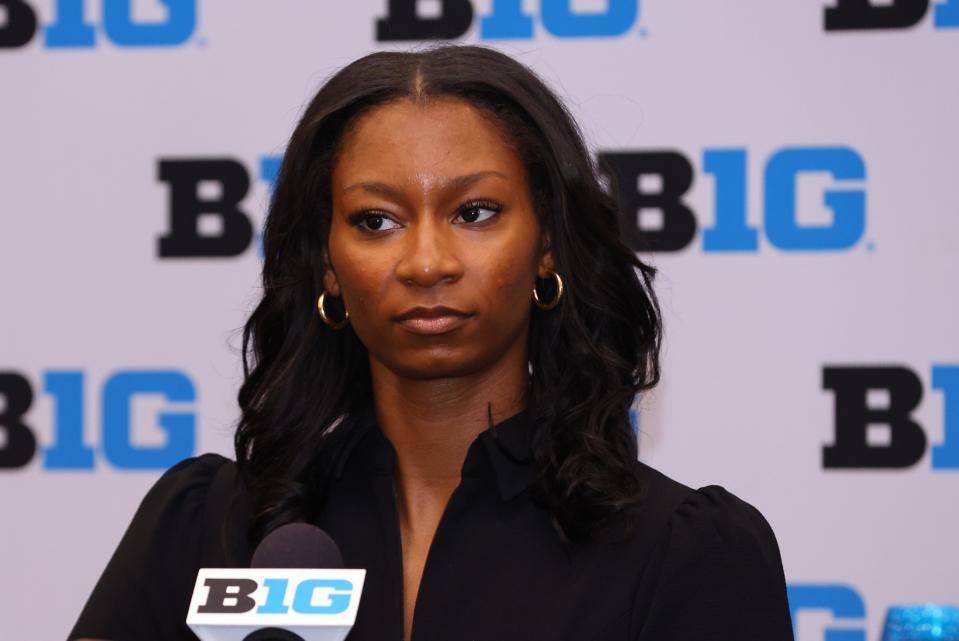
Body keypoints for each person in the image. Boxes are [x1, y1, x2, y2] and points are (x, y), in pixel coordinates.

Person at [69, 45, 795, 641]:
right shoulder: (207, 525)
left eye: (474, 212)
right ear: (327, 261)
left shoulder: (680, 551)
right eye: (375, 220)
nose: (425, 262)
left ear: (546, 243)